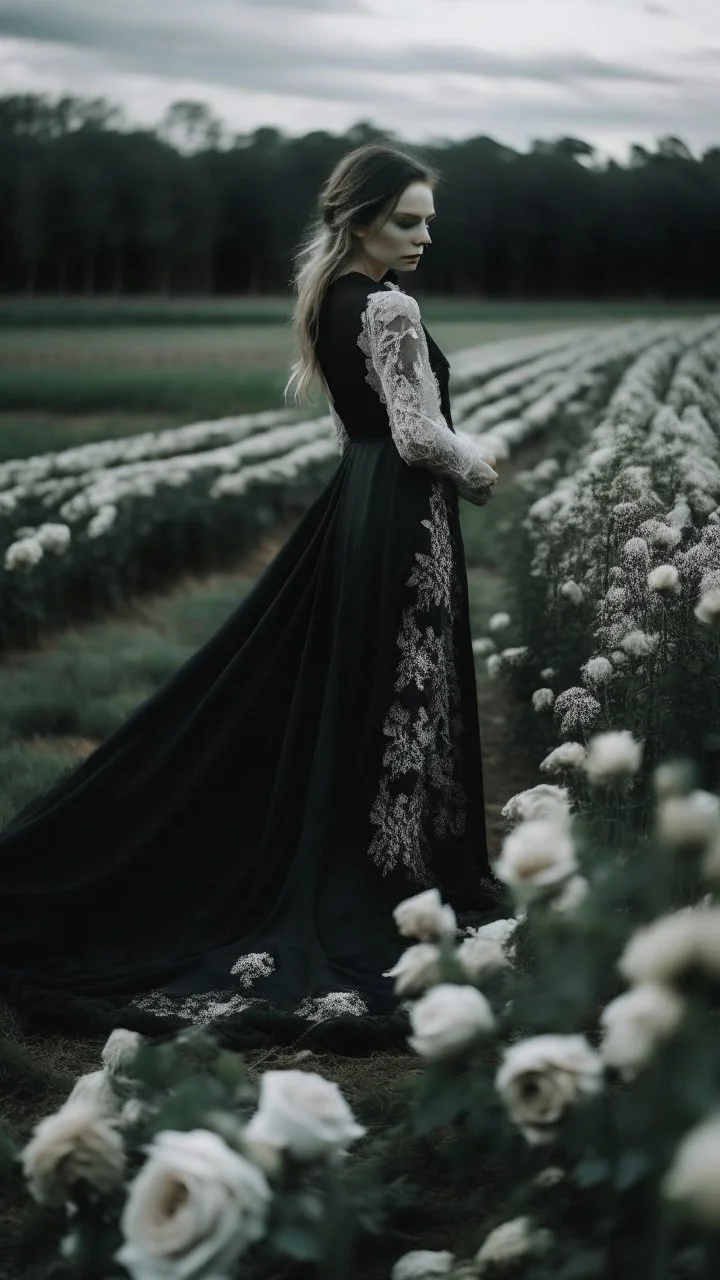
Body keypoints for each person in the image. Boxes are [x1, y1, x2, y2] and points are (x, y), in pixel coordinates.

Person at [0, 143, 505, 1054]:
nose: (426, 235)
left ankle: (395, 862)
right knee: (400, 690)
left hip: (359, 500)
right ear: (360, 220)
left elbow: (368, 427)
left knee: (372, 688)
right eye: (407, 220)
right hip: (400, 507)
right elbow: (420, 434)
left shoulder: (332, 296)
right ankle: (392, 875)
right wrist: (478, 467)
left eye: (429, 219)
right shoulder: (387, 304)